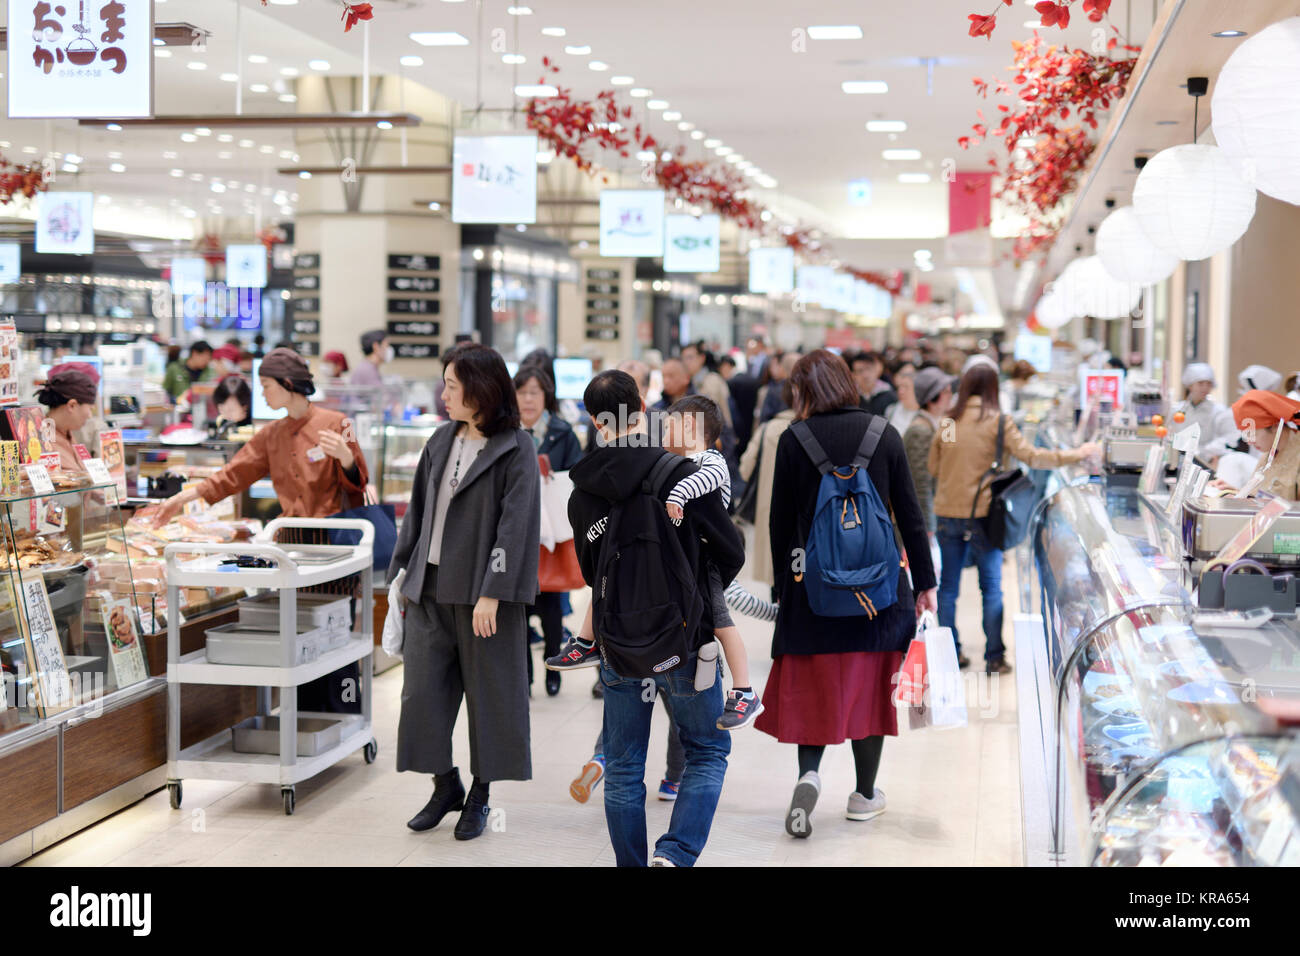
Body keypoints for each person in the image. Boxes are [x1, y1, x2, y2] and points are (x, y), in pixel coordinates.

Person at [550, 369, 744, 867]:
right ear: (642, 406)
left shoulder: (583, 492)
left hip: (618, 641)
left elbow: (591, 573)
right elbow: (730, 548)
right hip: (685, 636)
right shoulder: (680, 473)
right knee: (706, 751)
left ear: (596, 422)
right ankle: (675, 855)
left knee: (622, 763)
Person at [757, 350, 936, 838]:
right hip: (878, 592)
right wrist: (925, 583)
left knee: (815, 688)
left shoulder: (794, 439)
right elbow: (911, 515)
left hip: (814, 591)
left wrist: (786, 587)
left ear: (805, 391)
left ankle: (809, 775)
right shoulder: (884, 433)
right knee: (872, 689)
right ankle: (863, 794)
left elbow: (781, 524)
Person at [389, 343, 540, 841]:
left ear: (480, 389)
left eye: (452, 385)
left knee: (492, 700)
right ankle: (444, 784)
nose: (444, 393)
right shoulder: (439, 439)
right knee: (422, 696)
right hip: (430, 590)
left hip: (483, 598)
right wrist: (402, 576)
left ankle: (481, 793)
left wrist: (493, 592)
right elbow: (417, 512)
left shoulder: (517, 448)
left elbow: (515, 527)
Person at [928, 364, 1099, 674]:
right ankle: (994, 657)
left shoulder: (949, 422)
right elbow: (1033, 456)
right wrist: (1076, 454)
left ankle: (950, 654)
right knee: (990, 587)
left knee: (948, 588)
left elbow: (935, 467)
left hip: (947, 513)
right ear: (994, 388)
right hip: (984, 515)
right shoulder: (999, 422)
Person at [152, 349, 368, 524]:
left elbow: (360, 485)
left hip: (336, 539)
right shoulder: (271, 434)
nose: (262, 394)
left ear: (288, 383)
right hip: (291, 537)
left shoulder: (339, 423)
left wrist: (346, 458)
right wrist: (182, 498)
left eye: (266, 386)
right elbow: (234, 474)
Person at [661, 395, 760, 730]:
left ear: (689, 426)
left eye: (670, 422)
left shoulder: (710, 460)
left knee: (720, 622)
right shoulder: (681, 461)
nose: (663, 427)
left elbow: (703, 481)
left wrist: (677, 495)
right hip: (699, 561)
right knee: (710, 621)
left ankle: (744, 690)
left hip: (710, 561)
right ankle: (713, 673)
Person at [515, 364, 582, 696]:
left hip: (552, 531)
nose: (528, 400)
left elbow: (576, 478)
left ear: (546, 396)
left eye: (535, 392)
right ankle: (524, 673)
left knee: (552, 603)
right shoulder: (507, 432)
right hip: (517, 531)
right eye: (522, 392)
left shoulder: (561, 431)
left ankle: (552, 668)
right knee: (519, 606)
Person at [739, 380, 795, 594]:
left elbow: (745, 469)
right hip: (802, 516)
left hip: (770, 510)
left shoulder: (768, 429)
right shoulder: (814, 427)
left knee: (776, 573)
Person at [1215, 390, 1300, 499]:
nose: (1249, 441)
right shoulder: (1270, 452)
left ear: (1275, 426)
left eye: (1253, 433)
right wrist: (1236, 493)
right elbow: (1263, 495)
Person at [903, 367, 953, 548]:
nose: (951, 395)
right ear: (932, 399)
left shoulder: (942, 422)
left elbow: (950, 455)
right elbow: (921, 482)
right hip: (924, 518)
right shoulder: (920, 431)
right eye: (946, 392)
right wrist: (928, 525)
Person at [37, 363, 100, 472]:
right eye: (90, 409)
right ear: (72, 405)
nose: (90, 415)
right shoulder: (43, 440)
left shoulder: (66, 434)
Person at [1174, 363, 1228, 460]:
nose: (1205, 388)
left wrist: (1204, 451)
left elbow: (1225, 438)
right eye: (1200, 383)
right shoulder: (1177, 410)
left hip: (1206, 461)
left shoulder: (1219, 411)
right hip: (1179, 458)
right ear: (1190, 385)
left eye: (1208, 384)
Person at [681, 342, 734, 433]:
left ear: (702, 358)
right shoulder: (688, 381)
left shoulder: (712, 380)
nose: (686, 362)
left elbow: (712, 412)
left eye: (690, 357)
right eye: (683, 359)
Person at [850, 350, 897, 417]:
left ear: (876, 370)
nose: (865, 375)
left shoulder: (889, 394)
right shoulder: (851, 397)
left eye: (868, 369)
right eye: (860, 371)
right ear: (853, 375)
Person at [756, 351, 797, 425]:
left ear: (783, 366)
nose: (771, 369)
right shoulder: (800, 388)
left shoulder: (773, 390)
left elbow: (764, 418)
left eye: (774, 365)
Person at [885, 364, 919, 436]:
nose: (901, 391)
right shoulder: (891, 410)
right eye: (900, 387)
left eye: (906, 387)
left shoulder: (922, 413)